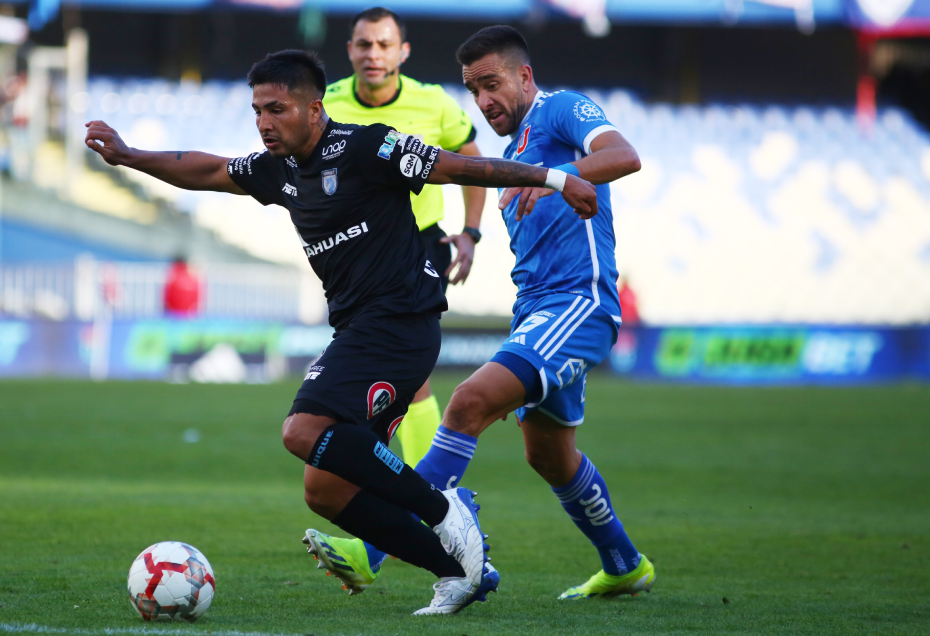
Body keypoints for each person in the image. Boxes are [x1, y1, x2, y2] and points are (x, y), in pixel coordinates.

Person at [84, 49, 596, 614]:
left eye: (276, 109)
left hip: (399, 322)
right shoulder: (280, 169)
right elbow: (207, 170)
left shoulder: (367, 147)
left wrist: (554, 177)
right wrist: (129, 156)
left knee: (302, 430)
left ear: (314, 109)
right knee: (324, 491)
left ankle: (444, 509)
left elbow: (456, 167)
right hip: (362, 328)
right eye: (257, 111)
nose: (264, 123)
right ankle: (458, 573)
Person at [310, 26, 655, 601]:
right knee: (550, 456)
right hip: (536, 310)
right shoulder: (512, 155)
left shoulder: (560, 110)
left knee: (467, 402)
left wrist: (560, 178)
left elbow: (624, 156)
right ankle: (625, 564)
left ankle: (371, 551)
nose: (484, 100)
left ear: (524, 76)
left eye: (492, 84)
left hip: (579, 303)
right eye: (474, 90)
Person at [323, 7, 486, 477]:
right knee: (376, 375)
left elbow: (472, 164)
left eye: (384, 44)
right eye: (364, 44)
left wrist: (471, 232)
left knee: (407, 376)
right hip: (353, 253)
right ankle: (409, 490)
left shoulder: (433, 103)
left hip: (418, 249)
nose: (373, 54)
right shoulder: (327, 105)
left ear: (403, 51)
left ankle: (425, 490)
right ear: (350, 50)